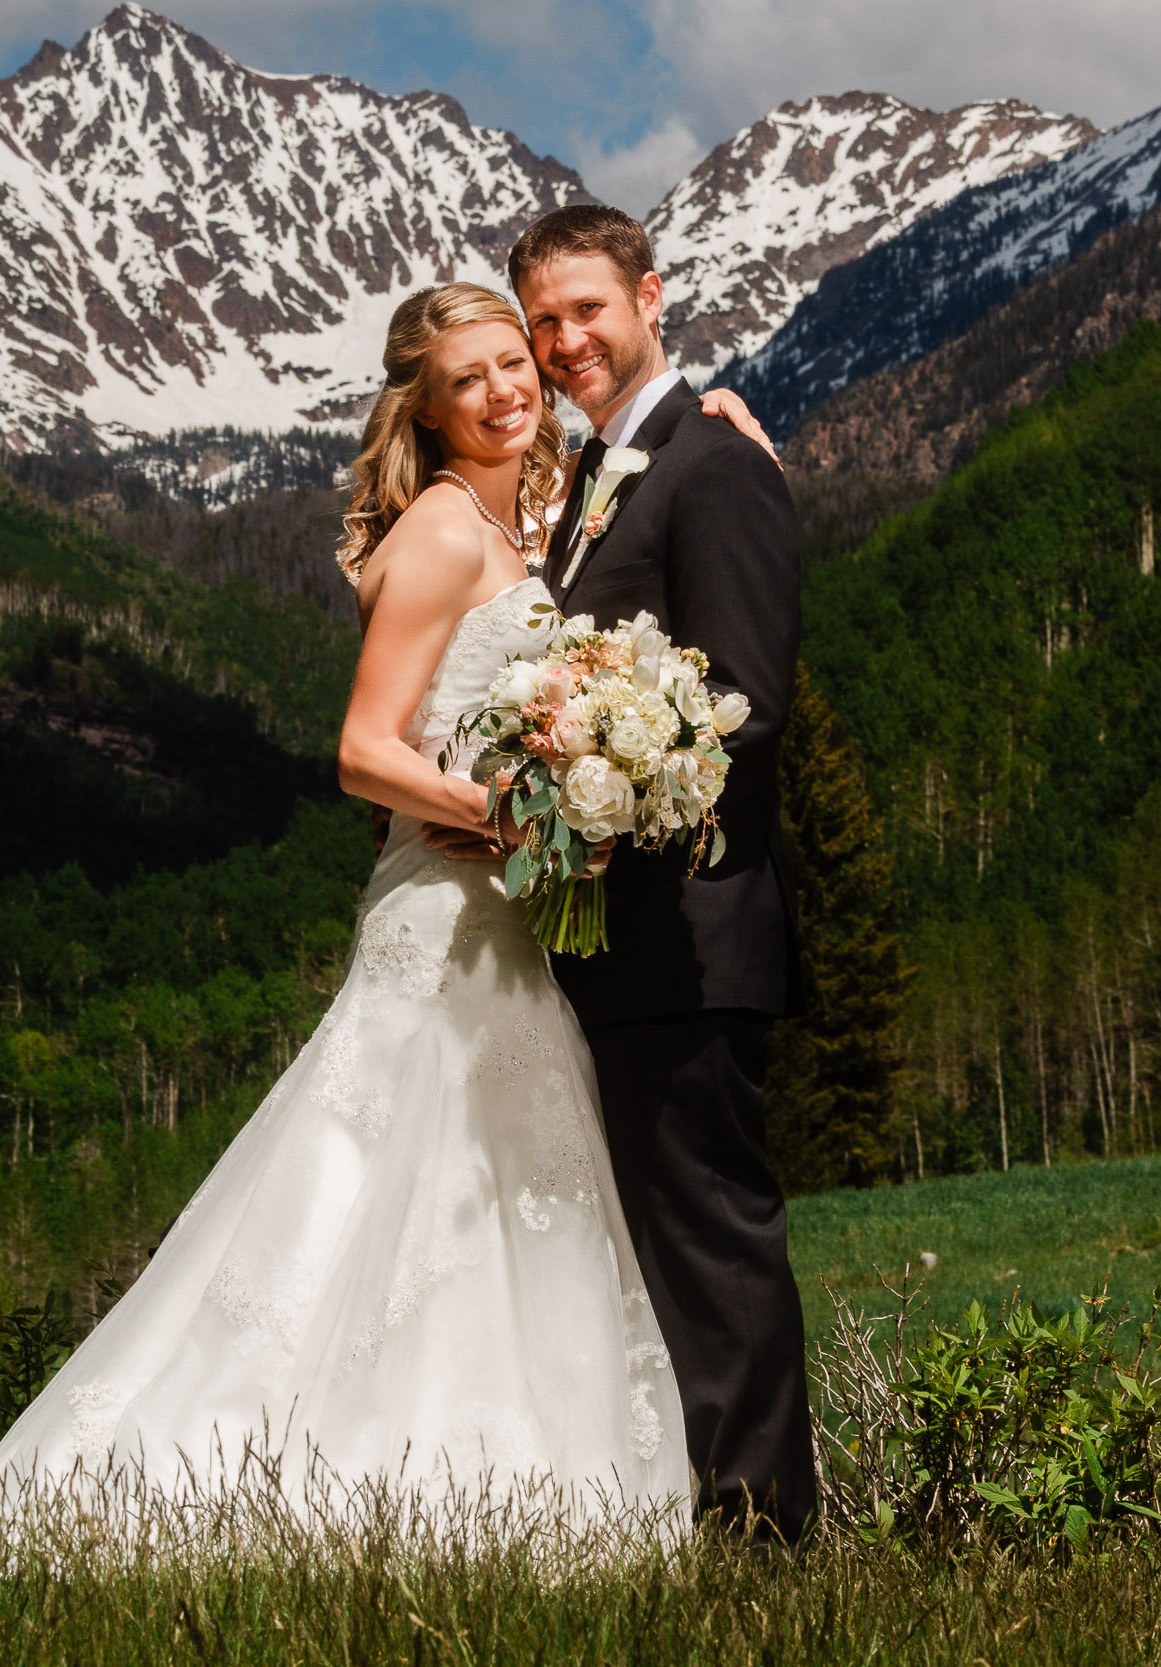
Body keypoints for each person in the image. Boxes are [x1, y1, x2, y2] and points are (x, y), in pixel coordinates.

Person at [0, 280, 773, 1557]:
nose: (505, 390)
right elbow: (361, 749)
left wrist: (722, 417)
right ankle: (288, 1472)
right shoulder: (440, 530)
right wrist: (500, 811)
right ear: (423, 405)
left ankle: (514, 1486)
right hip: (446, 912)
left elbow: (633, 449)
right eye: (466, 380)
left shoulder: (530, 519)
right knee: (378, 1180)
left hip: (518, 927)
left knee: (503, 1194)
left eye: (512, 363)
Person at [427, 203, 814, 1539]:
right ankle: (695, 1514)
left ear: (651, 294)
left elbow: (745, 710)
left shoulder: (713, 467)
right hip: (614, 944)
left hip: (694, 930)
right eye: (545, 319)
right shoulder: (601, 478)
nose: (565, 339)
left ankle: (768, 1543)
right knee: (655, 1249)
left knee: (711, 1241)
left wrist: (613, 791)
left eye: (587, 308)